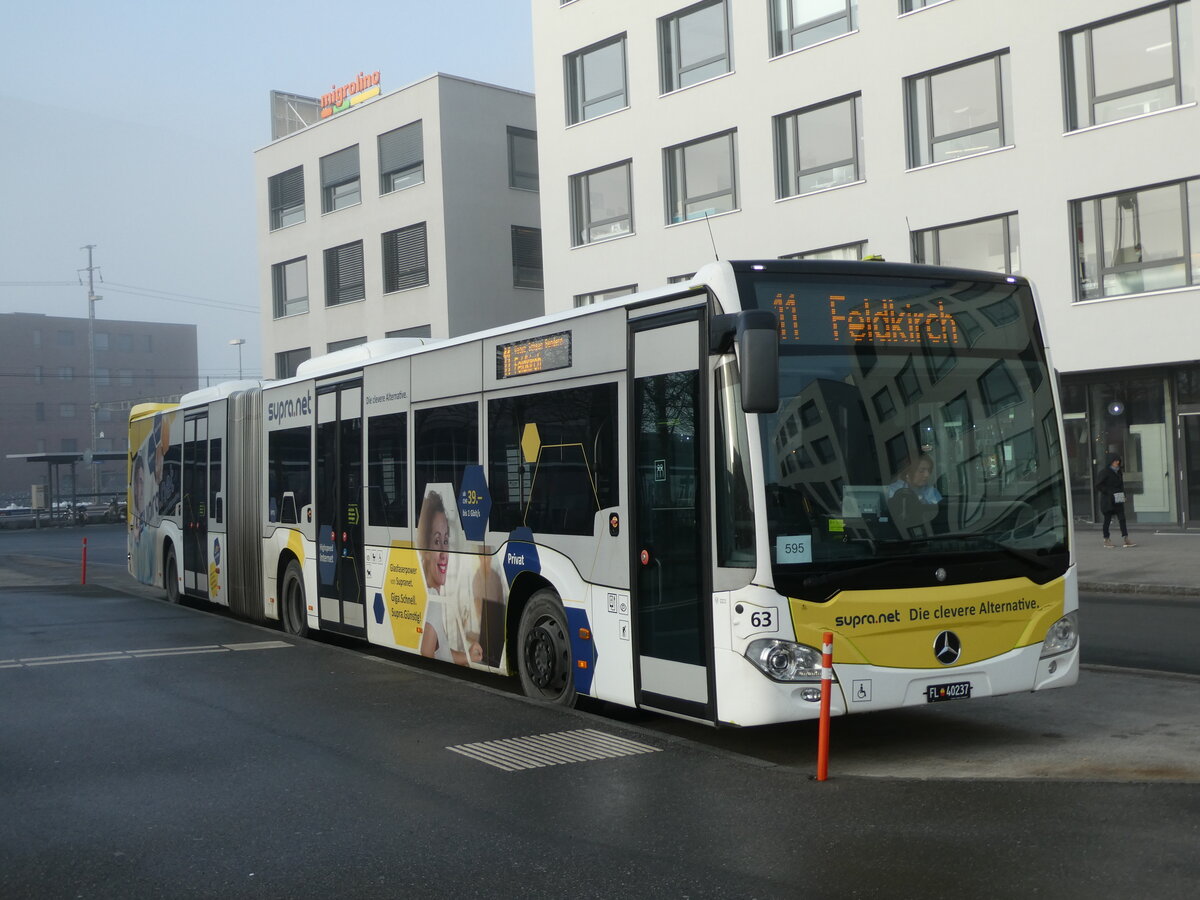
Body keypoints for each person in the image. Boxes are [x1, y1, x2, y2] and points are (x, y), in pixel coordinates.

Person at [1095, 455, 1136, 548]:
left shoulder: (1119, 472)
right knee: (1107, 519)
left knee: (1122, 518)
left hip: (1118, 498)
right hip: (1108, 500)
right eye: (1115, 461)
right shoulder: (1105, 472)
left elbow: (1121, 485)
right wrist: (1108, 492)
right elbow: (1098, 485)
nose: (1117, 462)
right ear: (1110, 461)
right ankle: (1106, 539)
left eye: (1118, 461)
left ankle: (1126, 538)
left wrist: (1123, 495)